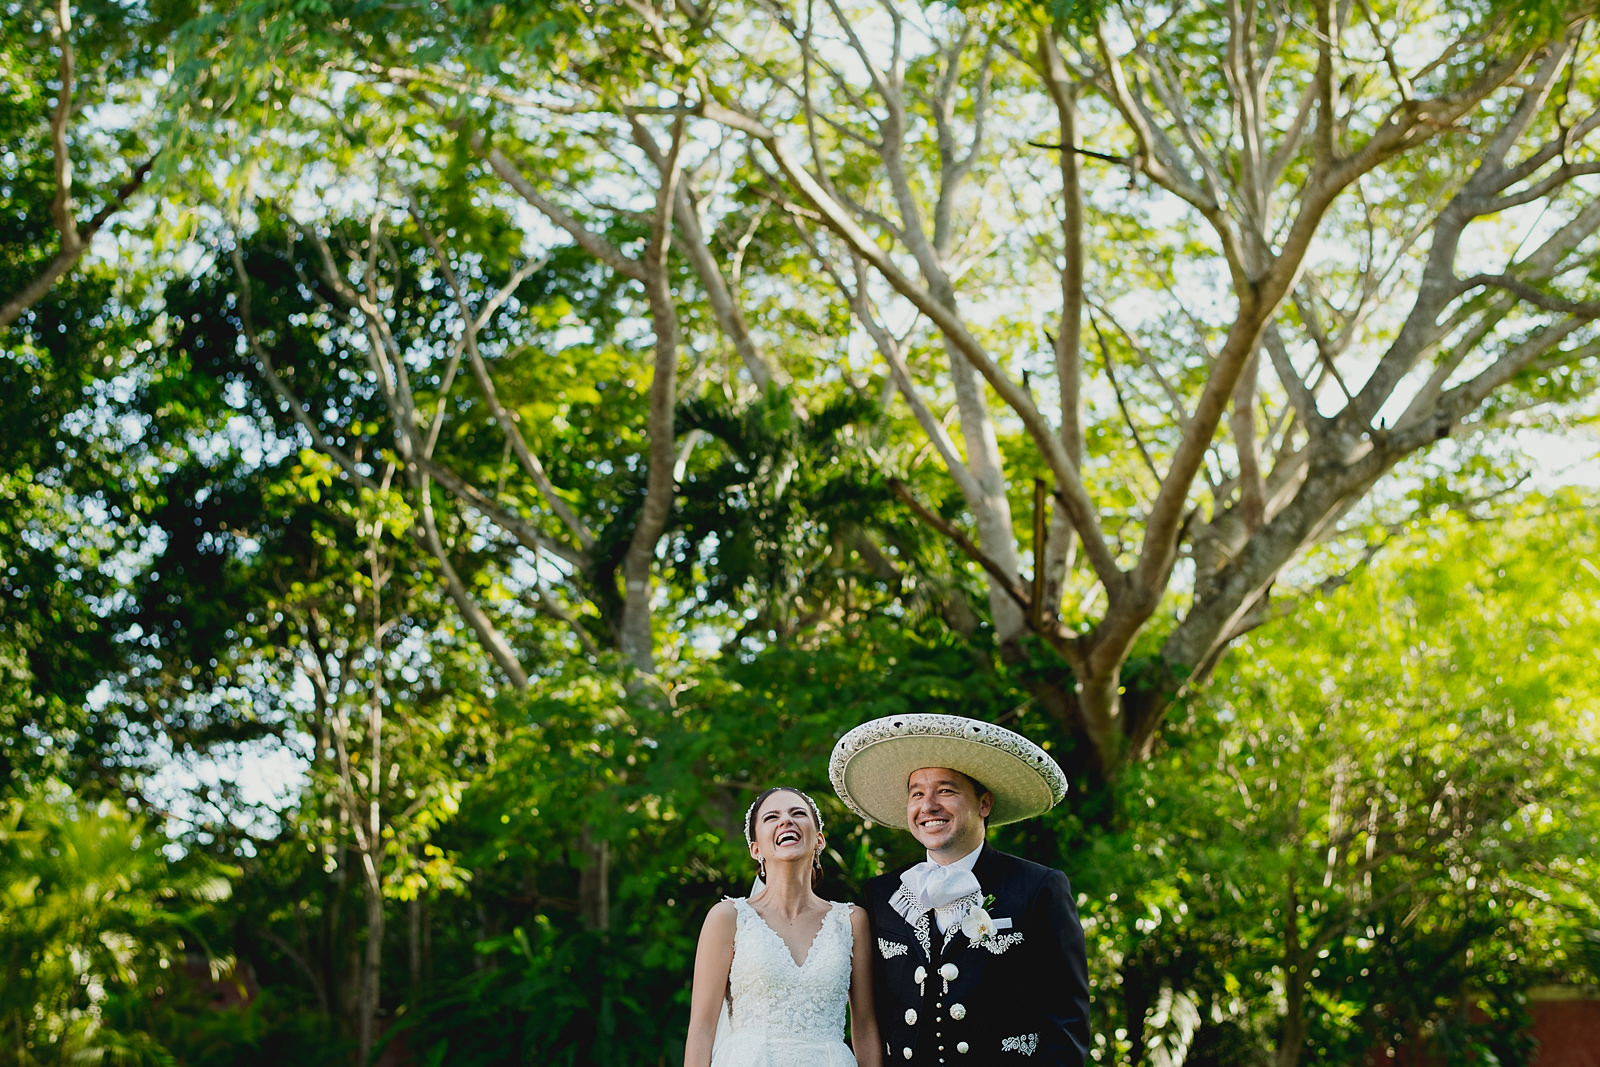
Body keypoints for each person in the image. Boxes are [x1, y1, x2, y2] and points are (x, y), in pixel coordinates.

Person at [830, 714, 1091, 1066]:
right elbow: (868, 1014)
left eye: (946, 790)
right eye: (917, 793)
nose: (928, 806)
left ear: (984, 804)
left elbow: (1067, 1022)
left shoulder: (1039, 887)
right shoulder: (881, 895)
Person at [684, 786, 885, 1067]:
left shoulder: (851, 922)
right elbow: (702, 1029)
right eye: (771, 817)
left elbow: (865, 1028)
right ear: (755, 849)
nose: (786, 820)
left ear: (819, 839)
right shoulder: (728, 918)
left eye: (798, 813)